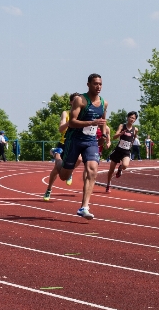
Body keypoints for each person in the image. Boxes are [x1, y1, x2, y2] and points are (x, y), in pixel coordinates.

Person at [57, 74, 108, 219]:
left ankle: (84, 207)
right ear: (88, 84)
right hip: (74, 140)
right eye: (95, 84)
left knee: (93, 169)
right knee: (63, 175)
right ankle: (57, 158)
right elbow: (72, 122)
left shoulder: (104, 103)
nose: (98, 86)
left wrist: (103, 136)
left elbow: (103, 121)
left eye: (100, 84)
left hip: (90, 141)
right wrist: (91, 123)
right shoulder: (80, 100)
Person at [44, 93, 84, 201]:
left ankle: (69, 171)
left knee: (80, 159)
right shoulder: (65, 113)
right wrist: (69, 122)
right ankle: (49, 189)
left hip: (75, 143)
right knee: (56, 170)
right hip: (64, 143)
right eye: (76, 100)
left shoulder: (82, 115)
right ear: (71, 102)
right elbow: (61, 129)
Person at [104, 111, 138, 193]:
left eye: (133, 118)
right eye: (130, 117)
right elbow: (114, 137)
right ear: (128, 117)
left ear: (135, 120)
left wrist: (130, 144)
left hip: (126, 151)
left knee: (125, 165)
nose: (132, 119)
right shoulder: (122, 126)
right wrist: (120, 134)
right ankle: (108, 184)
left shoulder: (135, 129)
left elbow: (134, 138)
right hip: (118, 150)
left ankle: (120, 169)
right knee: (111, 170)